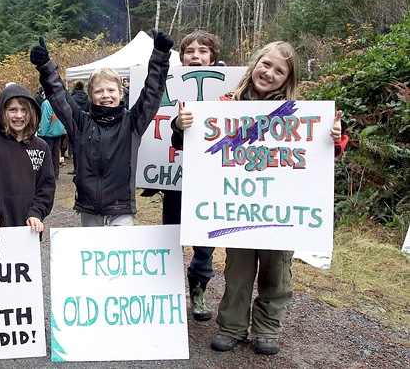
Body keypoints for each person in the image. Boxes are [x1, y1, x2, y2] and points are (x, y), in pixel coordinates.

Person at [173, 41, 348, 355]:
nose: (269, 73)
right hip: (237, 210)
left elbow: (322, 152)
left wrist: (335, 137)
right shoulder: (224, 105)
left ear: (288, 78)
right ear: (254, 64)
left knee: (277, 276)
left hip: (280, 213)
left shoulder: (299, 114)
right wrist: (180, 125)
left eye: (279, 70)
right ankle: (232, 327)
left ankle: (267, 329)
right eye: (265, 64)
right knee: (237, 273)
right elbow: (192, 140)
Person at [30, 30, 173, 227]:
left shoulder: (132, 123)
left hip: (121, 210)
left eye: (111, 90)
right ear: (90, 95)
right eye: (99, 91)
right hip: (89, 210)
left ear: (121, 93)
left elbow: (151, 94)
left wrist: (160, 56)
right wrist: (46, 67)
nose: (105, 95)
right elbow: (60, 97)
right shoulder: (81, 123)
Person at [142, 29, 223, 322]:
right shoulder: (171, 85)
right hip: (175, 181)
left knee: (204, 243)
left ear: (213, 57)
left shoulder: (230, 93)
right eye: (190, 51)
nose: (195, 56)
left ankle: (198, 292)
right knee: (170, 236)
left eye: (202, 51)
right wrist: (178, 125)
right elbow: (173, 141)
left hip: (211, 185)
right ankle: (168, 294)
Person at [0, 84, 55, 233]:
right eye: (12, 110)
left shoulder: (41, 147)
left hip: (29, 228)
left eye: (24, 110)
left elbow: (46, 187)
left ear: (32, 113)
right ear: (2, 112)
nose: (19, 115)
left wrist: (37, 212)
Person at [37, 98, 65, 179]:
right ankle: (55, 173)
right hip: (59, 131)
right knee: (56, 154)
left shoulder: (47, 103)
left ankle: (48, 174)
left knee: (47, 155)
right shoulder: (60, 101)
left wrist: (41, 133)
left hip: (48, 134)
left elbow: (45, 120)